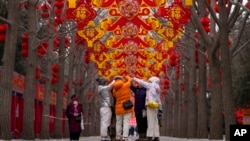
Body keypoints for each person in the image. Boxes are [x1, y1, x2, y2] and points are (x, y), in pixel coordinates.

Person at [133, 76, 162, 141]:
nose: (148, 81)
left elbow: (142, 82)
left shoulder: (150, 85)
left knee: (150, 120)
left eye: (149, 80)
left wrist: (134, 78)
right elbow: (158, 98)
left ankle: (149, 136)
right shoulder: (158, 87)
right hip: (156, 105)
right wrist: (160, 107)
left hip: (150, 104)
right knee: (155, 121)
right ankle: (156, 136)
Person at [112, 75, 133, 141]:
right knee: (126, 122)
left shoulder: (114, 90)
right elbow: (131, 80)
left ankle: (118, 137)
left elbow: (115, 96)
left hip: (118, 108)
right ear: (121, 79)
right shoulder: (125, 85)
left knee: (118, 123)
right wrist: (127, 77)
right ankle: (125, 137)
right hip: (126, 107)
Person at [96, 77, 115, 141]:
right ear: (103, 83)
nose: (106, 83)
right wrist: (115, 80)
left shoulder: (101, 88)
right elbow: (110, 86)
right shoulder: (103, 88)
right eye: (105, 82)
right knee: (105, 122)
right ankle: (104, 136)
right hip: (105, 107)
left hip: (103, 107)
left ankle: (104, 136)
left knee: (104, 122)